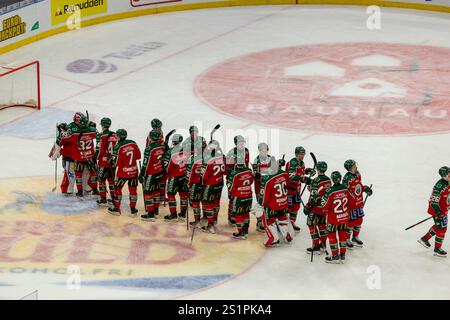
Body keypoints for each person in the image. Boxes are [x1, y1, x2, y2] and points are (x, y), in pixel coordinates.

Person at [59, 112, 98, 197]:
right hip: (89, 156)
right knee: (90, 173)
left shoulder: (72, 132)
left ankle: (80, 191)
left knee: (79, 174)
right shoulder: (91, 130)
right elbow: (99, 136)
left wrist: (60, 130)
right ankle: (93, 189)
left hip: (79, 157)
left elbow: (62, 138)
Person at [322, 171, 355, 264]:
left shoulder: (330, 191)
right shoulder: (346, 189)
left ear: (332, 179)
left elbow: (324, 206)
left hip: (333, 220)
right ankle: (343, 255)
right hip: (344, 218)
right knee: (343, 236)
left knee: (332, 237)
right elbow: (352, 202)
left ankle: (335, 256)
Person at [418, 166, 450, 257]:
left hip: (443, 209)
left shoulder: (448, 181)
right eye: (449, 174)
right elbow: (434, 202)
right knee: (442, 228)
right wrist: (438, 212)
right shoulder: (439, 186)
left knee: (438, 226)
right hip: (437, 210)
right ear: (443, 176)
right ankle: (437, 249)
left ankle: (424, 239)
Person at [260, 157, 292, 247]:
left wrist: (261, 204)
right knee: (282, 218)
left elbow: (264, 197)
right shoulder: (284, 174)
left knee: (268, 220)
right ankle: (287, 235)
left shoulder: (268, 178)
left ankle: (274, 239)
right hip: (283, 203)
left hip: (272, 205)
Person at [108, 129, 141, 215]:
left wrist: (111, 161)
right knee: (133, 191)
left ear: (118, 137)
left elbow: (116, 163)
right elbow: (138, 156)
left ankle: (116, 209)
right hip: (134, 172)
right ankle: (133, 210)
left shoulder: (118, 146)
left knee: (117, 190)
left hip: (122, 173)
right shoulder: (133, 143)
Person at [343, 159, 373, 248]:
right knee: (351, 222)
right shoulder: (347, 178)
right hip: (351, 205)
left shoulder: (357, 174)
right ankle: (346, 239)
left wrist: (365, 188)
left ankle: (355, 237)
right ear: (350, 168)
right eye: (354, 166)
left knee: (359, 220)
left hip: (359, 202)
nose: (356, 166)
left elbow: (359, 186)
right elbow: (344, 192)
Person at [303, 161, 332, 255]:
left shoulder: (316, 180)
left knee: (311, 224)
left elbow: (313, 197)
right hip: (324, 208)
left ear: (318, 169)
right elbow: (322, 190)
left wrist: (307, 207)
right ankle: (323, 245)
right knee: (322, 226)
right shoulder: (328, 180)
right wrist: (310, 184)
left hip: (315, 208)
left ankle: (316, 246)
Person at [286, 146, 316, 232]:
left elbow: (300, 172)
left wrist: (307, 171)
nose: (302, 155)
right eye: (301, 154)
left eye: (303, 154)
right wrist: (304, 179)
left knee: (296, 207)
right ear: (296, 154)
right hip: (289, 189)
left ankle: (291, 222)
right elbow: (291, 176)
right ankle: (284, 224)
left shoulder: (302, 163)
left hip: (297, 190)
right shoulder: (292, 162)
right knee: (288, 207)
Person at [139, 130, 166, 221]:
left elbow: (145, 164)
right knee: (156, 192)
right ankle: (156, 211)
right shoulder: (162, 147)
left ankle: (150, 214)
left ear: (150, 138)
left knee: (148, 192)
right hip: (160, 173)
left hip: (151, 174)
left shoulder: (149, 148)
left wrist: (141, 174)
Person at [201, 140, 225, 234]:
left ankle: (210, 225)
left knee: (208, 204)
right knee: (216, 202)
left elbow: (204, 176)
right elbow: (225, 171)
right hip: (219, 184)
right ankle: (215, 221)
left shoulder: (208, 159)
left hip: (210, 185)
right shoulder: (221, 157)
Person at [163, 134, 188, 221]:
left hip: (174, 177)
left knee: (170, 195)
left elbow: (168, 167)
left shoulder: (171, 152)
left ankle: (173, 215)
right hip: (184, 176)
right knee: (183, 195)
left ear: (173, 142)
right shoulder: (185, 150)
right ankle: (183, 214)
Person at [225, 135, 250, 225]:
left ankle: (241, 215)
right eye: (240, 143)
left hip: (243, 180)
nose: (242, 144)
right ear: (236, 143)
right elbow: (227, 169)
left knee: (243, 198)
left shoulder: (246, 151)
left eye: (243, 142)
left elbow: (246, 165)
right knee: (232, 198)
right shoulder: (231, 153)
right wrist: (230, 181)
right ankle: (231, 216)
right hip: (233, 180)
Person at [227, 162, 254, 239]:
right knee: (246, 213)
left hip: (239, 197)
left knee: (239, 215)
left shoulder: (235, 173)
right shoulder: (249, 171)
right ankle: (245, 231)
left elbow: (231, 188)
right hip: (249, 196)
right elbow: (251, 181)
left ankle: (241, 232)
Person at [95, 117, 118, 205]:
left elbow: (98, 150)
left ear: (102, 125)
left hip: (103, 163)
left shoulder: (100, 136)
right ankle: (113, 198)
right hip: (112, 162)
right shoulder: (115, 135)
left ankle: (103, 199)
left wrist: (94, 160)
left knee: (101, 180)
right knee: (111, 181)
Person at [252, 142, 271, 233]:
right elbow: (255, 173)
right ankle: (259, 222)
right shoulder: (256, 160)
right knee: (260, 204)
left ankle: (267, 221)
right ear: (259, 150)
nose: (264, 151)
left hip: (269, 186)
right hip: (259, 187)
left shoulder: (271, 159)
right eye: (262, 150)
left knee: (268, 204)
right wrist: (256, 175)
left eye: (265, 150)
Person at [187, 141, 204, 228]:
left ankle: (197, 221)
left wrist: (188, 184)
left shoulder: (192, 158)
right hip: (205, 184)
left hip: (195, 184)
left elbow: (189, 173)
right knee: (204, 202)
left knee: (195, 202)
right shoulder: (208, 157)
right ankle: (206, 219)